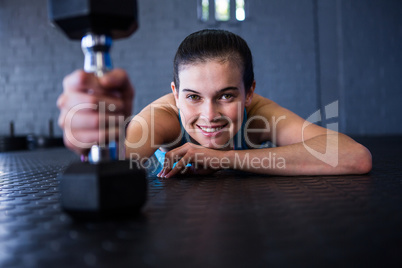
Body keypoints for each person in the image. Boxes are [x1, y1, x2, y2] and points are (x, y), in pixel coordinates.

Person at [57, 29, 372, 178]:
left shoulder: (259, 115)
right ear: (176, 94)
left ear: (249, 93)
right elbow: (119, 157)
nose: (209, 116)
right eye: (193, 97)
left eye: (226, 95)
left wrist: (224, 158)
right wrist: (95, 138)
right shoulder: (165, 116)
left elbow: (355, 157)